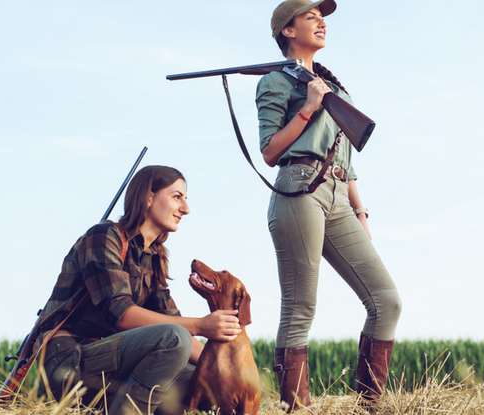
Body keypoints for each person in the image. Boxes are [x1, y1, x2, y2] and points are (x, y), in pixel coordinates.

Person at [256, 0, 403, 411]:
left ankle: (366, 405)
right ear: (288, 30)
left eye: (321, 16)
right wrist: (307, 108)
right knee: (301, 307)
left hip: (338, 195)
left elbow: (346, 160)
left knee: (386, 300)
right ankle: (295, 407)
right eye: (310, 16)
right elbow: (269, 151)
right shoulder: (275, 82)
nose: (321, 21)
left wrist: (360, 211)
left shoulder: (333, 85)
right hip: (299, 189)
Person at [35, 165, 242, 415]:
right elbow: (121, 314)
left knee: (208, 383)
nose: (185, 209)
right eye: (177, 197)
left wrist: (226, 372)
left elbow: (178, 325)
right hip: (70, 361)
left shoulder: (154, 258)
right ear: (149, 197)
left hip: (114, 362)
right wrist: (201, 325)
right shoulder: (103, 237)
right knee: (173, 339)